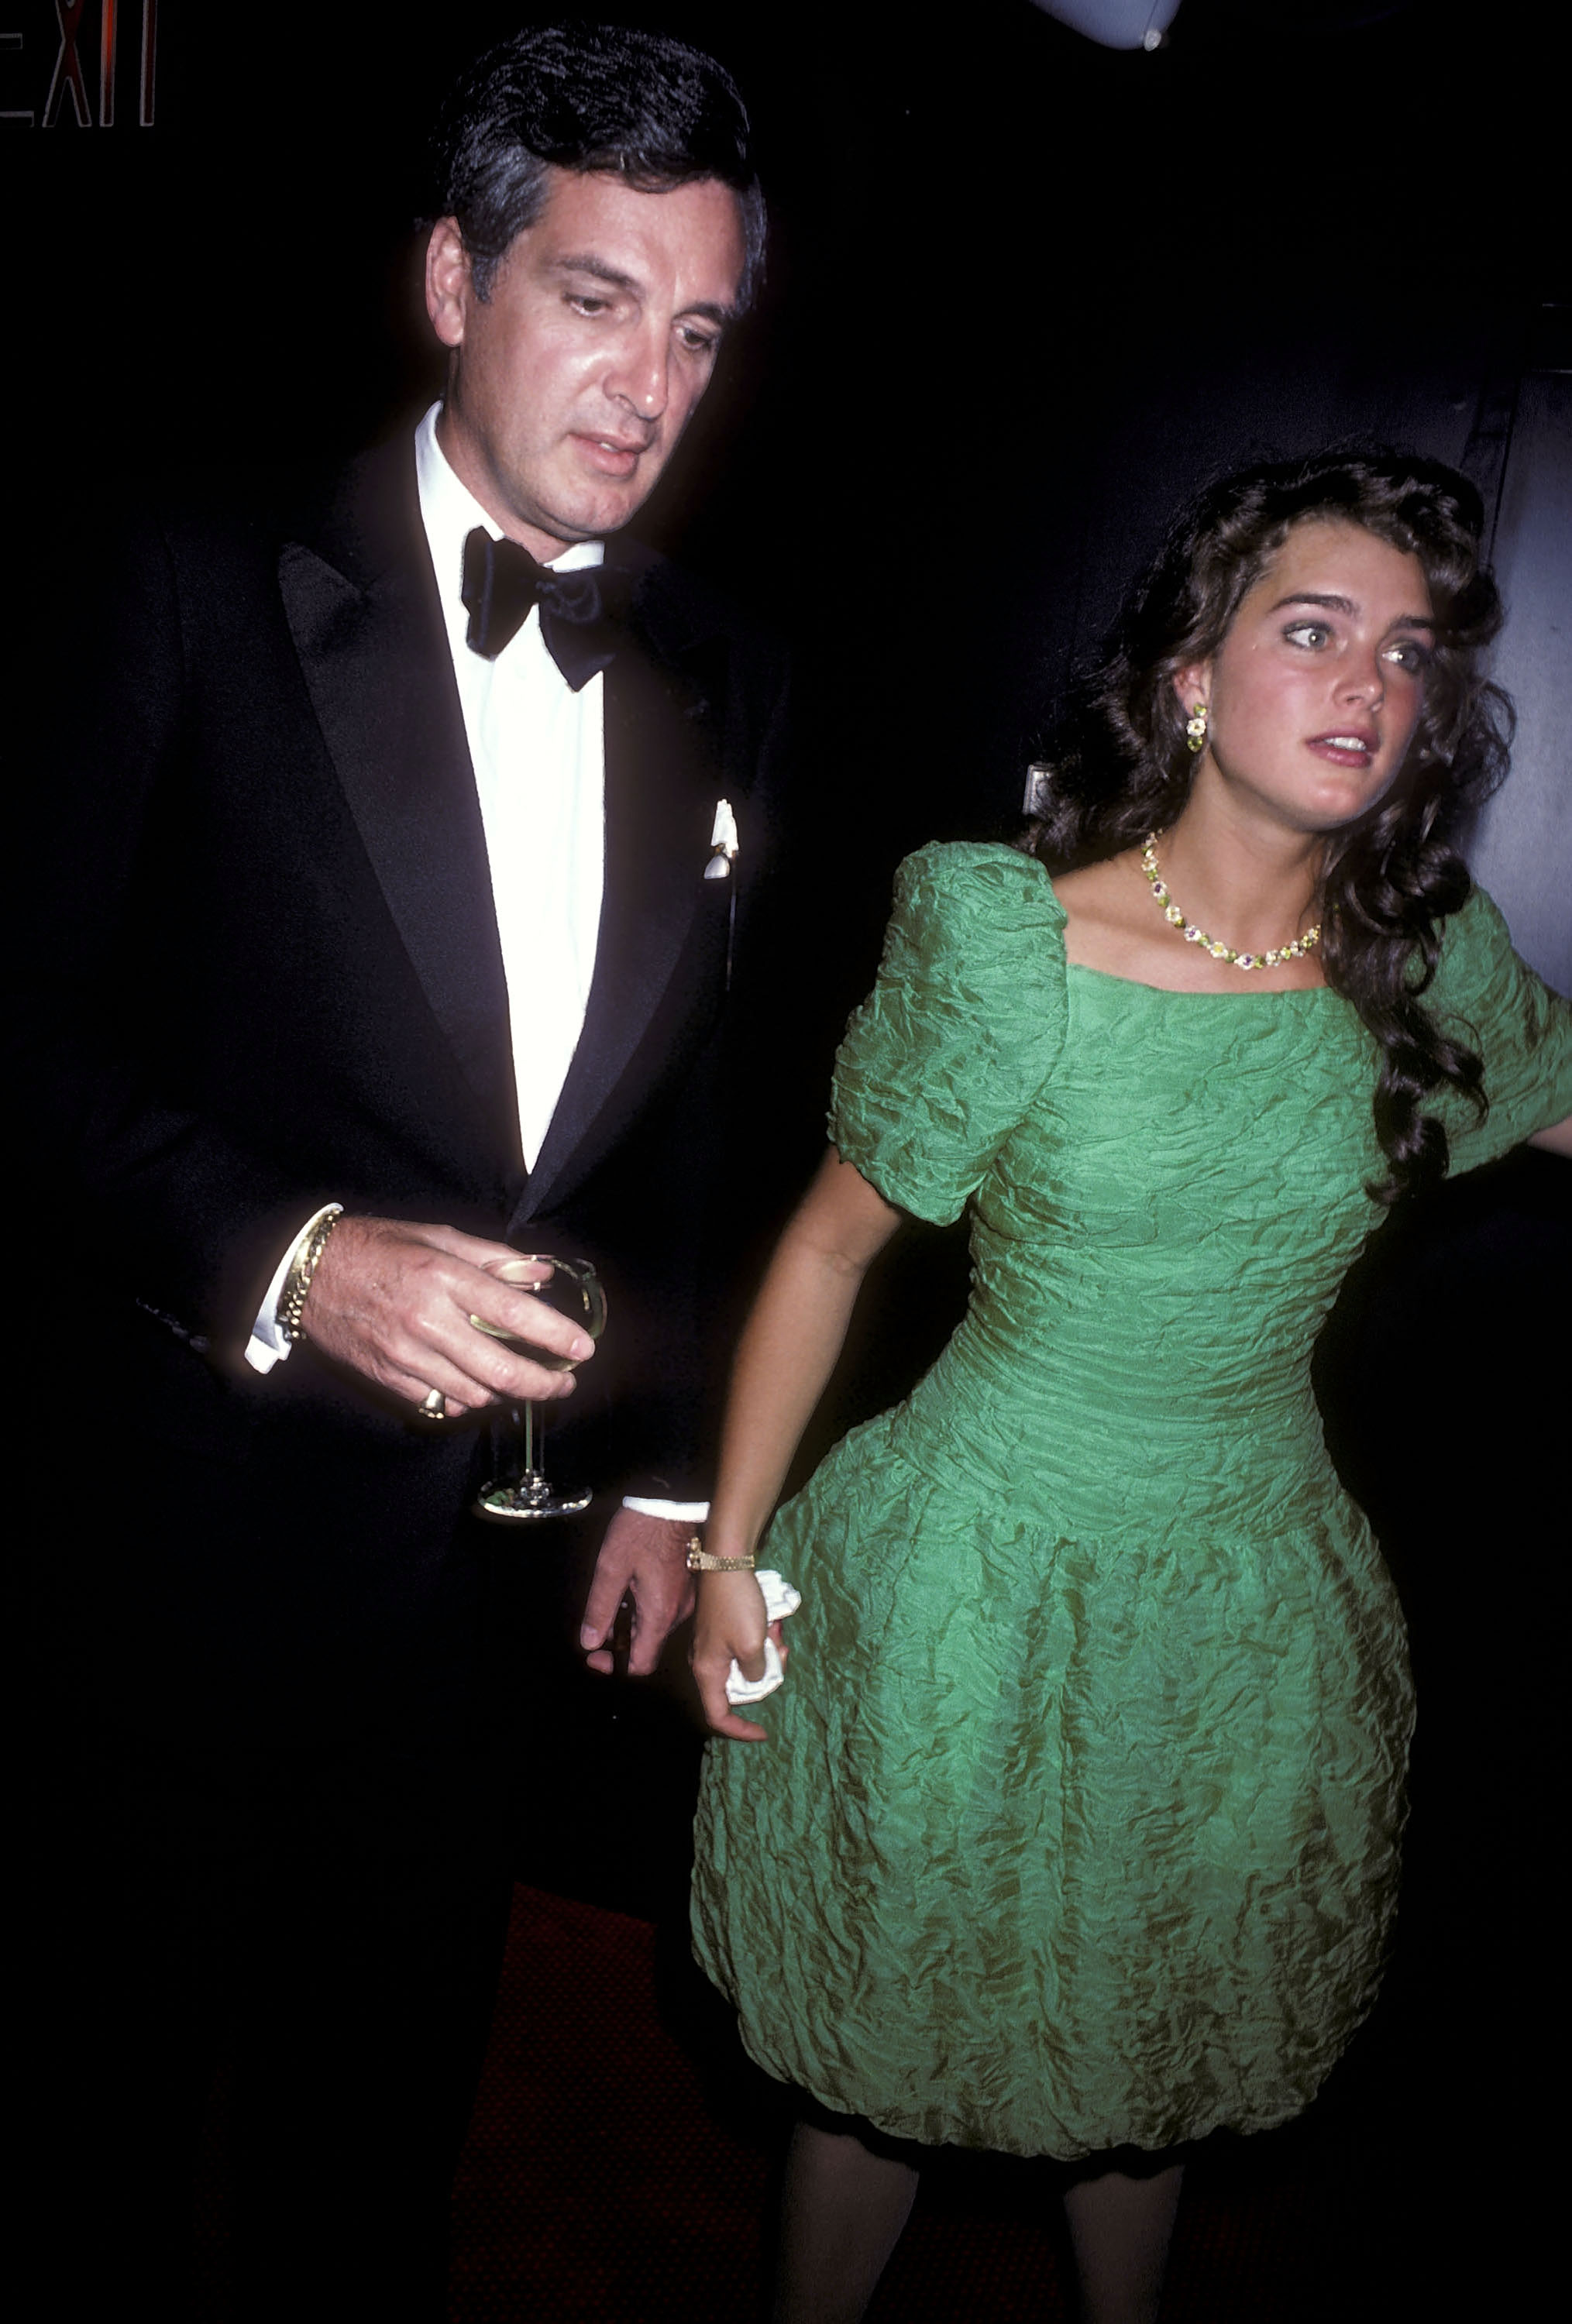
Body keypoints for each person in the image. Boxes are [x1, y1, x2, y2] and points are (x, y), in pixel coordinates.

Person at [16, 22, 784, 2320]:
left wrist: (658, 1467)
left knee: (382, 2151)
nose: (650, 384)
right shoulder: (179, 573)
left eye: (700, 328)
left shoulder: (726, 671)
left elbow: (684, 1115)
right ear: (455, 280)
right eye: (592, 295)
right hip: (157, 1558)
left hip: (474, 1615)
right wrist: (289, 1252)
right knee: (103, 2142)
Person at [687, 449, 1572, 2324]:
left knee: (1153, 2051)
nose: (1368, 686)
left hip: (1245, 1599)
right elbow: (828, 1251)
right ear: (1191, 674)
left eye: (1408, 656)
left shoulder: (1428, 971)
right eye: (1312, 632)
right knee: (883, 2054)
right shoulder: (1008, 940)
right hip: (968, 1574)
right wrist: (729, 1553)